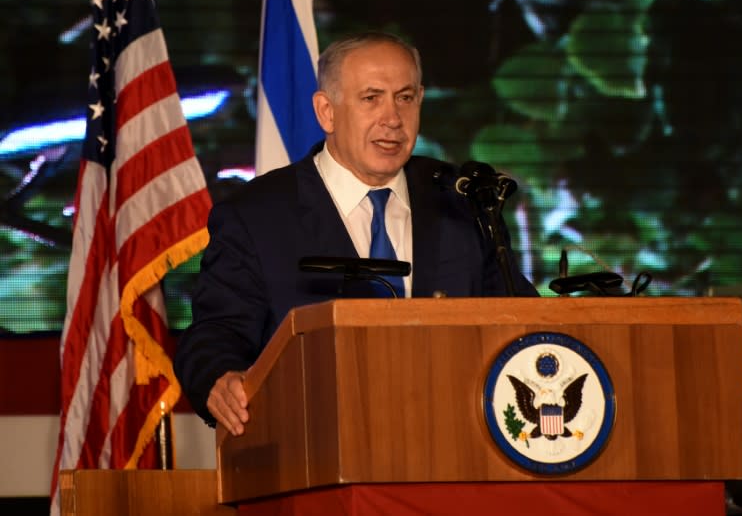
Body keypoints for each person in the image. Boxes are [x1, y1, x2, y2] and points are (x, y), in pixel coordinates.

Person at [174, 31, 538, 435]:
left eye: (405, 97)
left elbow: (523, 319)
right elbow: (216, 332)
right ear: (326, 112)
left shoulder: (461, 202)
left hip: (456, 440)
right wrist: (220, 378)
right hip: (315, 443)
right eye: (371, 98)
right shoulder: (257, 215)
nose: (393, 119)